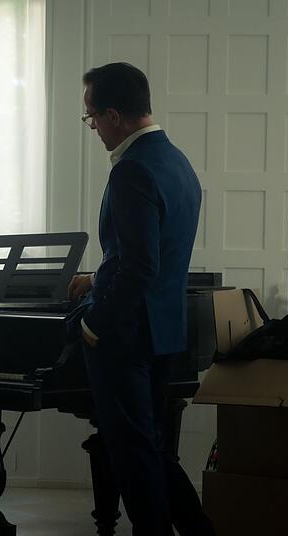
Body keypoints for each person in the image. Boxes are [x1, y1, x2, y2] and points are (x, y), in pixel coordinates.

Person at [69, 63, 216, 536]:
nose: (94, 128)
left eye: (92, 117)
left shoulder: (130, 169)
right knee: (150, 449)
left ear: (112, 115)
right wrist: (98, 276)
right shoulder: (177, 161)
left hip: (125, 333)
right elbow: (154, 252)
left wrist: (94, 323)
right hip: (163, 329)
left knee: (133, 457)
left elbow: (139, 266)